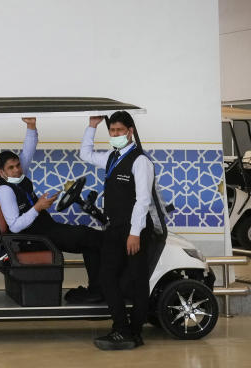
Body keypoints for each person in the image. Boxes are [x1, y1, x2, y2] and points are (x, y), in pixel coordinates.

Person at [79, 112, 165, 351]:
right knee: (107, 277)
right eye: (112, 131)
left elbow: (143, 200)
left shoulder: (140, 161)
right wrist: (92, 126)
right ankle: (123, 330)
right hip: (115, 227)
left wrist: (135, 232)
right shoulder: (112, 157)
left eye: (119, 130)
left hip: (133, 229)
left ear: (130, 131)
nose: (115, 135)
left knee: (138, 281)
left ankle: (133, 333)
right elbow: (85, 154)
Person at [0, 118, 103, 304]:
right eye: (11, 168)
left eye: (17, 165)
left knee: (93, 239)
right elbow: (15, 226)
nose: (17, 170)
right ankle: (98, 290)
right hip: (37, 238)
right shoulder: (4, 190)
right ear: (2, 173)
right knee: (90, 237)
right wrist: (38, 208)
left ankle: (99, 288)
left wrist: (31, 127)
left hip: (48, 229)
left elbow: (28, 151)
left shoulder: (20, 178)